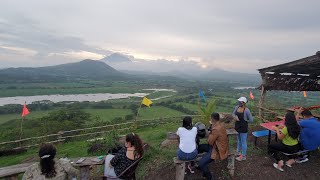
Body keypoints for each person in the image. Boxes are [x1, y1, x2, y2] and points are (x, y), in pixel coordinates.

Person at [198, 113, 228, 180]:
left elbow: (210, 141)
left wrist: (210, 133)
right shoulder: (219, 125)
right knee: (199, 147)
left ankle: (209, 177)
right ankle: (202, 168)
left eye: (210, 118)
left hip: (217, 150)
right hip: (216, 146)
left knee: (201, 163)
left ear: (213, 119)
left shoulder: (216, 129)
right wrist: (211, 127)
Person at [232, 97, 253, 161]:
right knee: (239, 140)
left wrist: (245, 119)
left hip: (243, 126)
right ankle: (238, 152)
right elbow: (233, 114)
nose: (239, 102)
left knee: (243, 141)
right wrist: (235, 117)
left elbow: (251, 120)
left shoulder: (247, 110)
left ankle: (243, 156)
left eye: (240, 101)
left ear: (243, 103)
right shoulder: (237, 107)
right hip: (237, 126)